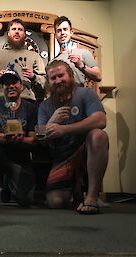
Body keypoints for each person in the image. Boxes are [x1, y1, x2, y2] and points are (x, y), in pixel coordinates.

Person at [38, 60, 108, 214]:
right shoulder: (44, 106)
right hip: (62, 158)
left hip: (86, 152)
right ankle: (76, 188)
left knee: (98, 135)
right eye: (53, 78)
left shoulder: (86, 94)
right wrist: (51, 122)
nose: (58, 81)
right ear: (48, 82)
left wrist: (64, 130)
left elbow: (100, 120)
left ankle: (91, 197)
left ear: (70, 75)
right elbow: (40, 139)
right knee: (56, 201)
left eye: (61, 76)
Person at [0, 68, 38, 207]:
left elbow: (33, 139)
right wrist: (6, 137)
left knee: (26, 200)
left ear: (21, 86)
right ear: (2, 87)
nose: (11, 86)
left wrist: (21, 138)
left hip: (20, 156)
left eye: (14, 83)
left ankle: (6, 184)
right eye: (6, 84)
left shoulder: (30, 108)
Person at [0, 18, 46, 104]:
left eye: (20, 29)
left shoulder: (35, 56)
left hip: (27, 101)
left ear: (24, 34)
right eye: (14, 29)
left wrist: (33, 77)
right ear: (8, 34)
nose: (17, 32)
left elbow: (44, 82)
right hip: (0, 101)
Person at [53, 16, 102, 87]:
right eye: (59, 30)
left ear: (71, 32)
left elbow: (98, 76)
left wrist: (81, 66)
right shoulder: (53, 62)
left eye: (65, 29)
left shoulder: (83, 53)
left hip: (79, 96)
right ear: (55, 35)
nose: (62, 33)